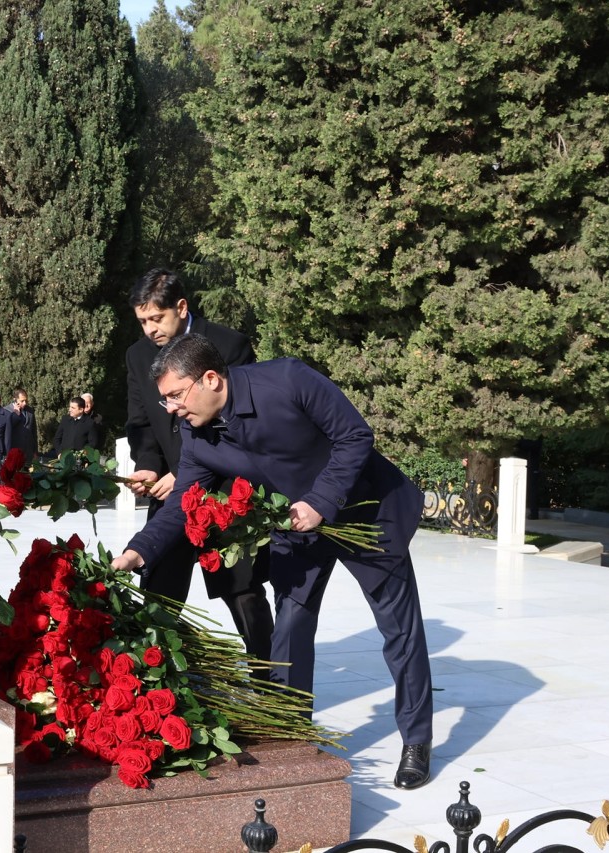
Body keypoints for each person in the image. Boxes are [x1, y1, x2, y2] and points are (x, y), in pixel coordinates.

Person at [112, 334, 433, 790]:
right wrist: (138, 550)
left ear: (210, 378)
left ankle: (416, 740)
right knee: (288, 629)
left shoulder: (287, 380)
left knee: (399, 630)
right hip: (296, 530)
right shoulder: (196, 433)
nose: (171, 410)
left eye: (175, 396)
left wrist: (321, 502)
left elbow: (355, 436)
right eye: (164, 401)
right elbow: (185, 499)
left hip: (365, 512)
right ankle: (292, 736)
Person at [123, 268, 272, 661]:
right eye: (142, 321)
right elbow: (141, 422)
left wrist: (186, 474)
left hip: (225, 493)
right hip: (169, 495)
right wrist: (151, 467)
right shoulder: (138, 356)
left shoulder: (229, 345)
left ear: (181, 307)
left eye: (157, 318)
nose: (150, 329)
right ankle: (160, 694)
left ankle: (269, 682)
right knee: (157, 594)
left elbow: (243, 425)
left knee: (243, 594)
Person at [6, 388, 37, 462]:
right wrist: (15, 414)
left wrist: (35, 451)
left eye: (26, 400)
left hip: (28, 452)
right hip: (14, 452)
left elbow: (33, 432)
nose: (25, 403)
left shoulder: (30, 411)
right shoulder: (6, 411)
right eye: (22, 401)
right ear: (15, 400)